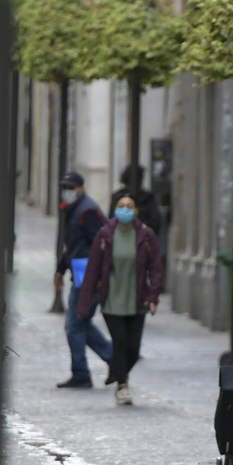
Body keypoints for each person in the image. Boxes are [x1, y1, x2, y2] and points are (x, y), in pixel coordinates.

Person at [77, 194, 162, 406]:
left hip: (137, 301)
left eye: (129, 206)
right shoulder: (105, 234)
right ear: (115, 209)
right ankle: (122, 385)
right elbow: (93, 270)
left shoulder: (146, 235)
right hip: (112, 300)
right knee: (120, 342)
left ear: (136, 211)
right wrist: (84, 304)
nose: (125, 209)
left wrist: (153, 296)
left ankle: (116, 371)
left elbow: (156, 267)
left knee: (133, 348)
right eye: (121, 206)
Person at [55, 171, 113, 388]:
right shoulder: (74, 209)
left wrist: (99, 276)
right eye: (65, 188)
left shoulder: (87, 211)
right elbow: (74, 245)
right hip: (81, 274)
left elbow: (102, 244)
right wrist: (61, 269)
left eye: (71, 188)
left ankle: (81, 373)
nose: (67, 191)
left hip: (88, 277)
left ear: (81, 188)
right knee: (81, 324)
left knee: (74, 325)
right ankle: (115, 359)